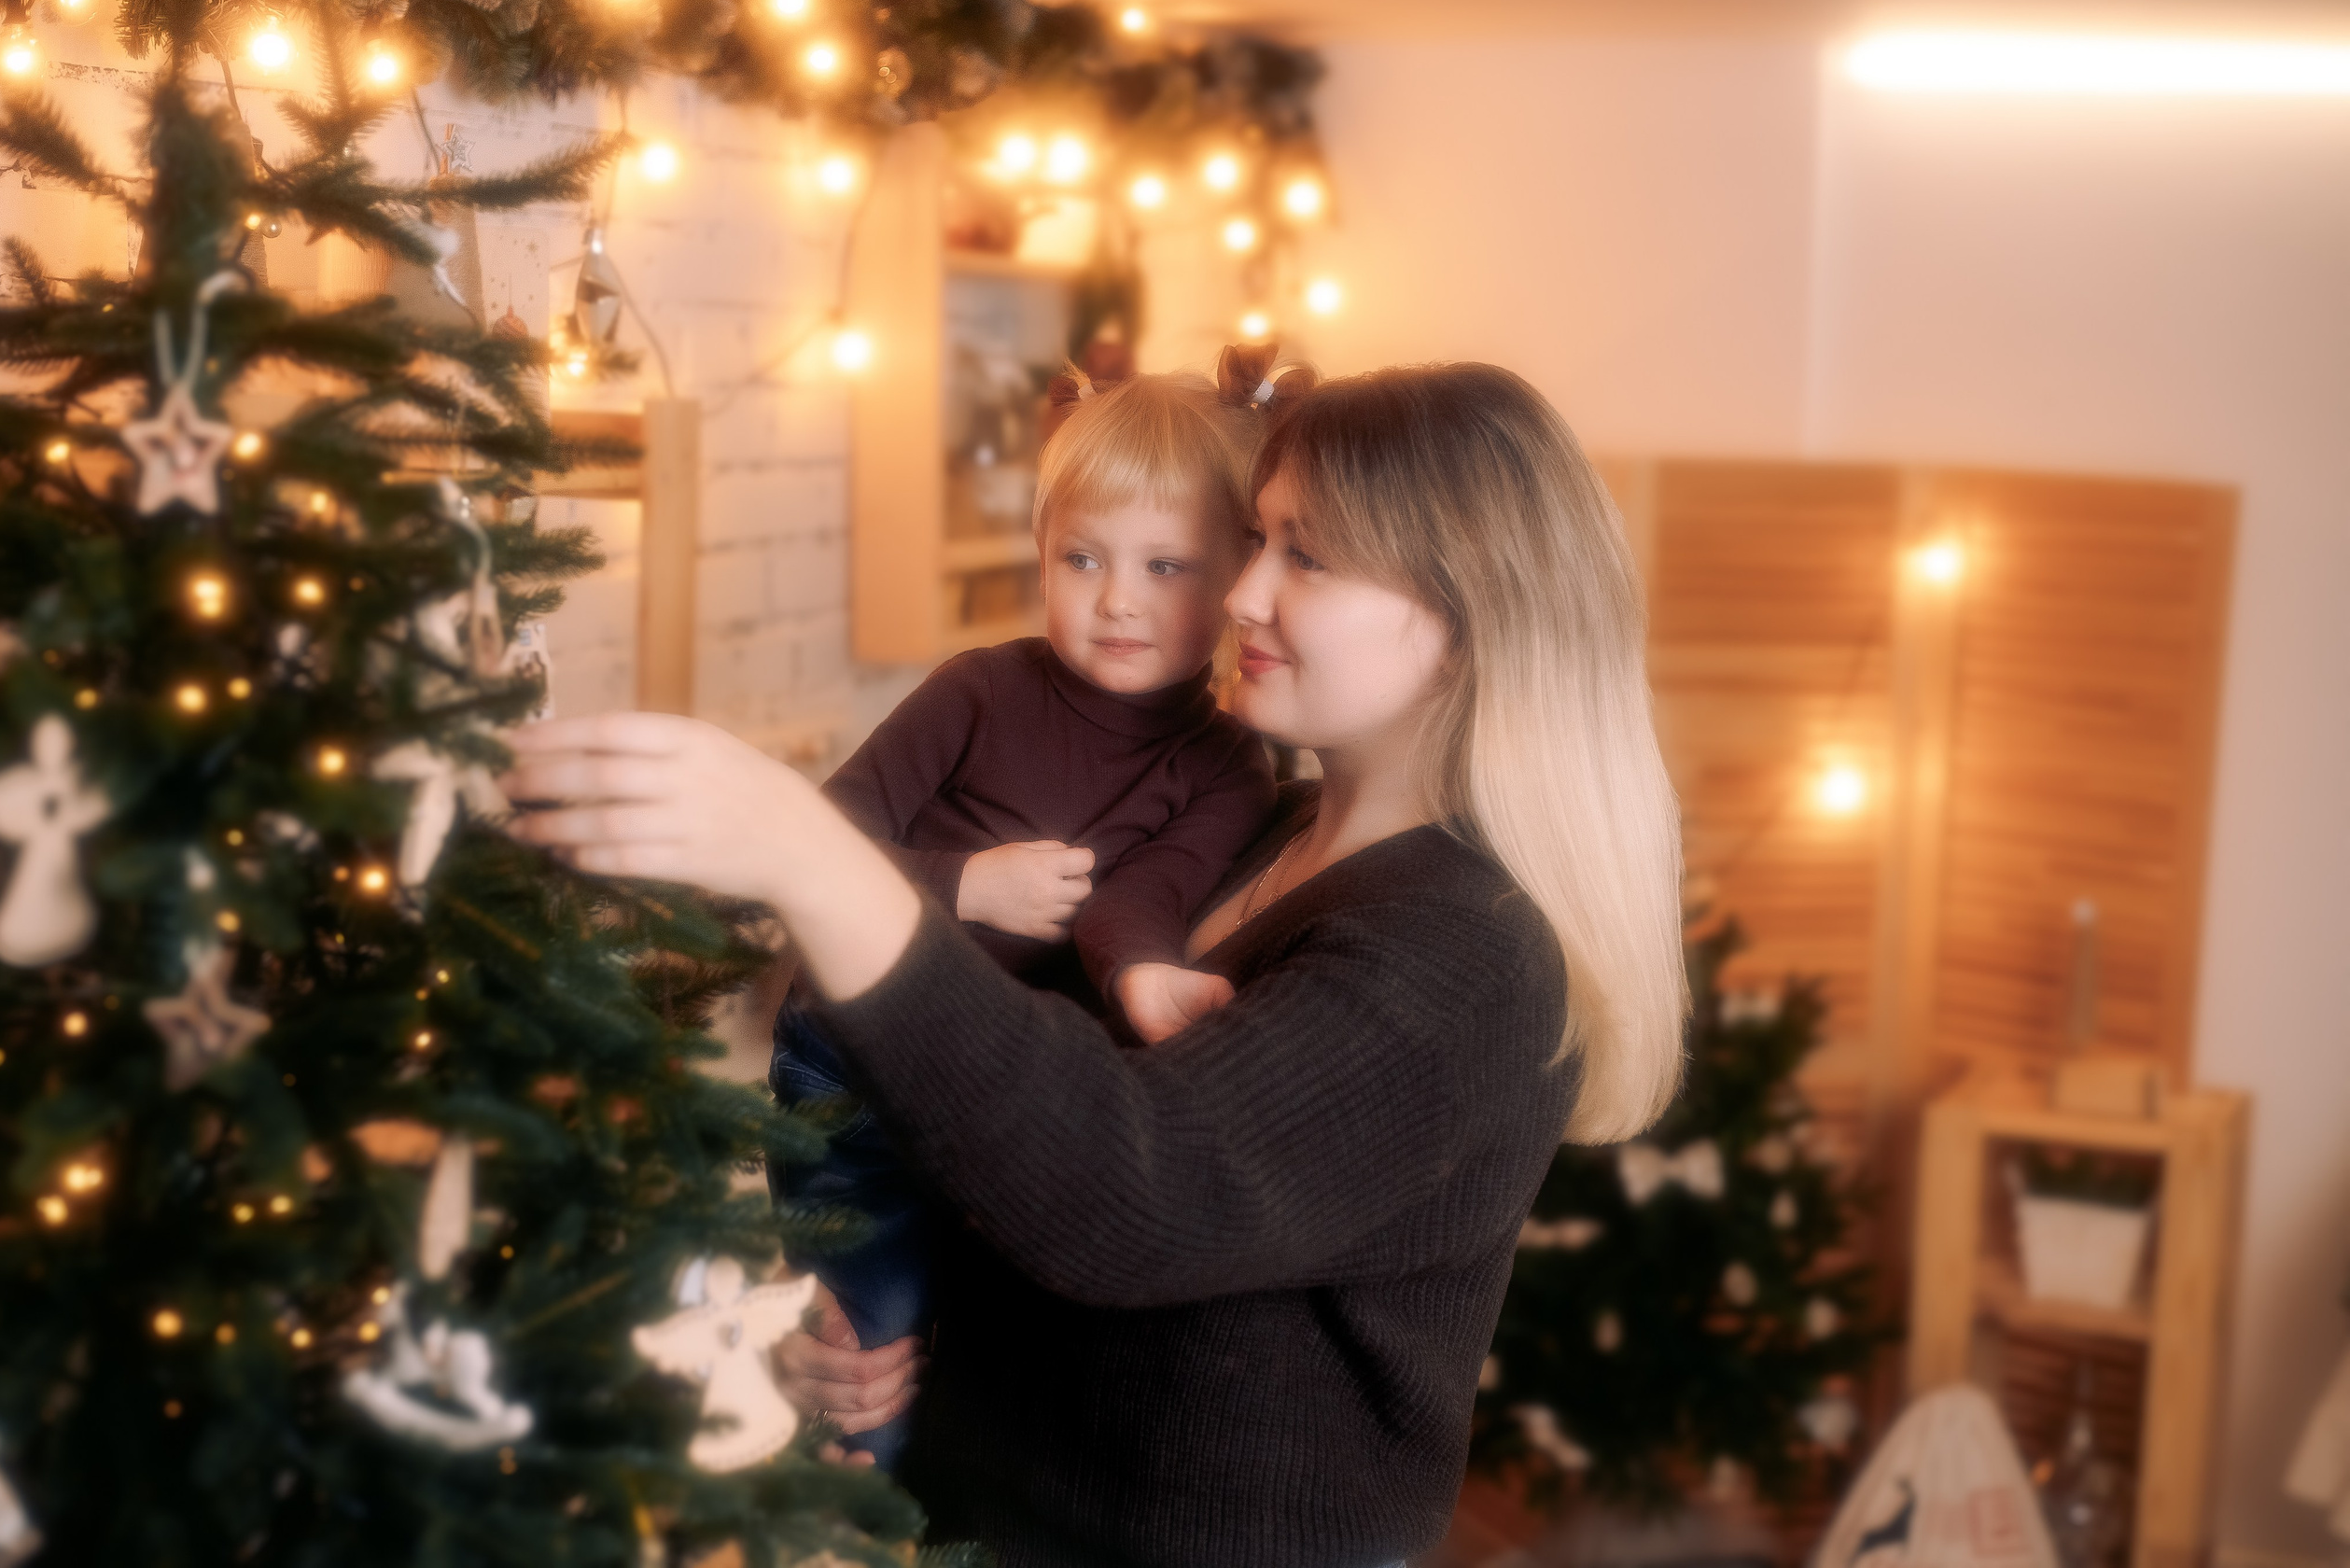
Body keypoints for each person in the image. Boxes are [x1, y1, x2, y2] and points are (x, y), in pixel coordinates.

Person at [504, 361, 1689, 1567]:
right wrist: (869, 1313)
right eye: (1257, 540)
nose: (1244, 592)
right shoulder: (1266, 830)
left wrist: (816, 856)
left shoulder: (1471, 949)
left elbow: (1140, 1192)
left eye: (1307, 556)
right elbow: (1019, 1130)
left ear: (1467, 612)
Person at [765, 347, 1292, 1467]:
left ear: (1239, 573)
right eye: (1082, 559)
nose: (1116, 601)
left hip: (1005, 1090)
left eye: (1165, 567)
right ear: (1041, 555)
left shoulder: (1229, 765)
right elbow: (822, 835)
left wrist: (1142, 974)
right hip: (854, 1064)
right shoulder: (977, 690)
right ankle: (849, 1507)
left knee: (998, 1352)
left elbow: (1146, 896)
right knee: (874, 1349)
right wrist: (967, 886)